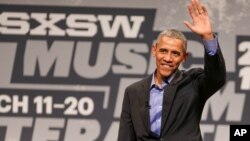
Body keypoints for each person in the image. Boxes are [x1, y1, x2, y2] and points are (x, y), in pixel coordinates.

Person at [118, 0, 226, 140]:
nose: (168, 58)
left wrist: (207, 37)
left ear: (184, 57)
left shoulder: (193, 83)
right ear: (154, 51)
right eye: (163, 51)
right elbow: (125, 137)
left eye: (175, 53)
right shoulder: (133, 91)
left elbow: (216, 78)